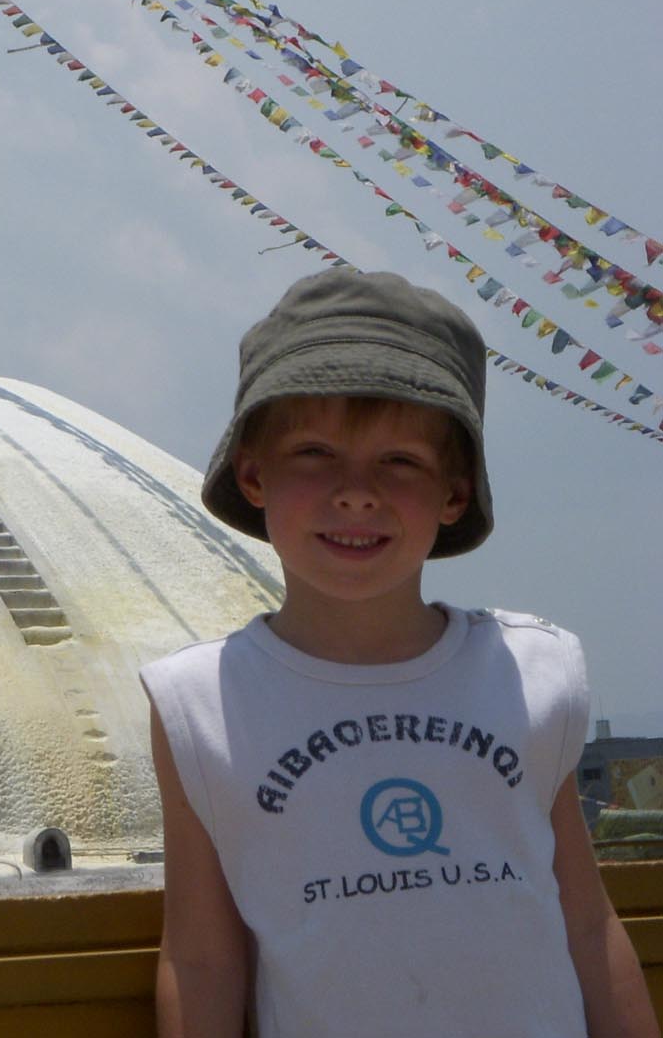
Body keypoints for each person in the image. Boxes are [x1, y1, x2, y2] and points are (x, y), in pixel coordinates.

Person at [141, 269, 659, 1038]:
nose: (356, 492)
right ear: (253, 473)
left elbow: (585, 922)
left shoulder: (533, 672)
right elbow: (201, 958)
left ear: (454, 491)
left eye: (401, 461)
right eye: (314, 451)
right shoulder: (197, 701)